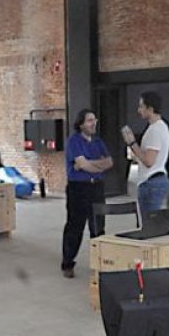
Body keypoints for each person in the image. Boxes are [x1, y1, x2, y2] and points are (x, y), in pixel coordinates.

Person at [61, 109, 113, 278]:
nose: (93, 123)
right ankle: (68, 263)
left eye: (94, 119)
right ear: (81, 124)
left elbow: (109, 162)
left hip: (97, 188)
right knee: (75, 227)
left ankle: (99, 264)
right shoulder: (73, 141)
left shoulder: (98, 142)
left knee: (98, 227)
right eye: (90, 120)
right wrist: (93, 165)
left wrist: (87, 164)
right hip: (78, 188)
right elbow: (84, 166)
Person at [122, 91, 169, 215]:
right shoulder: (160, 127)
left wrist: (132, 143)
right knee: (151, 222)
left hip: (151, 182)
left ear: (150, 109)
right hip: (155, 180)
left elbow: (149, 161)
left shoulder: (155, 130)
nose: (139, 110)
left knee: (149, 224)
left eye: (141, 106)